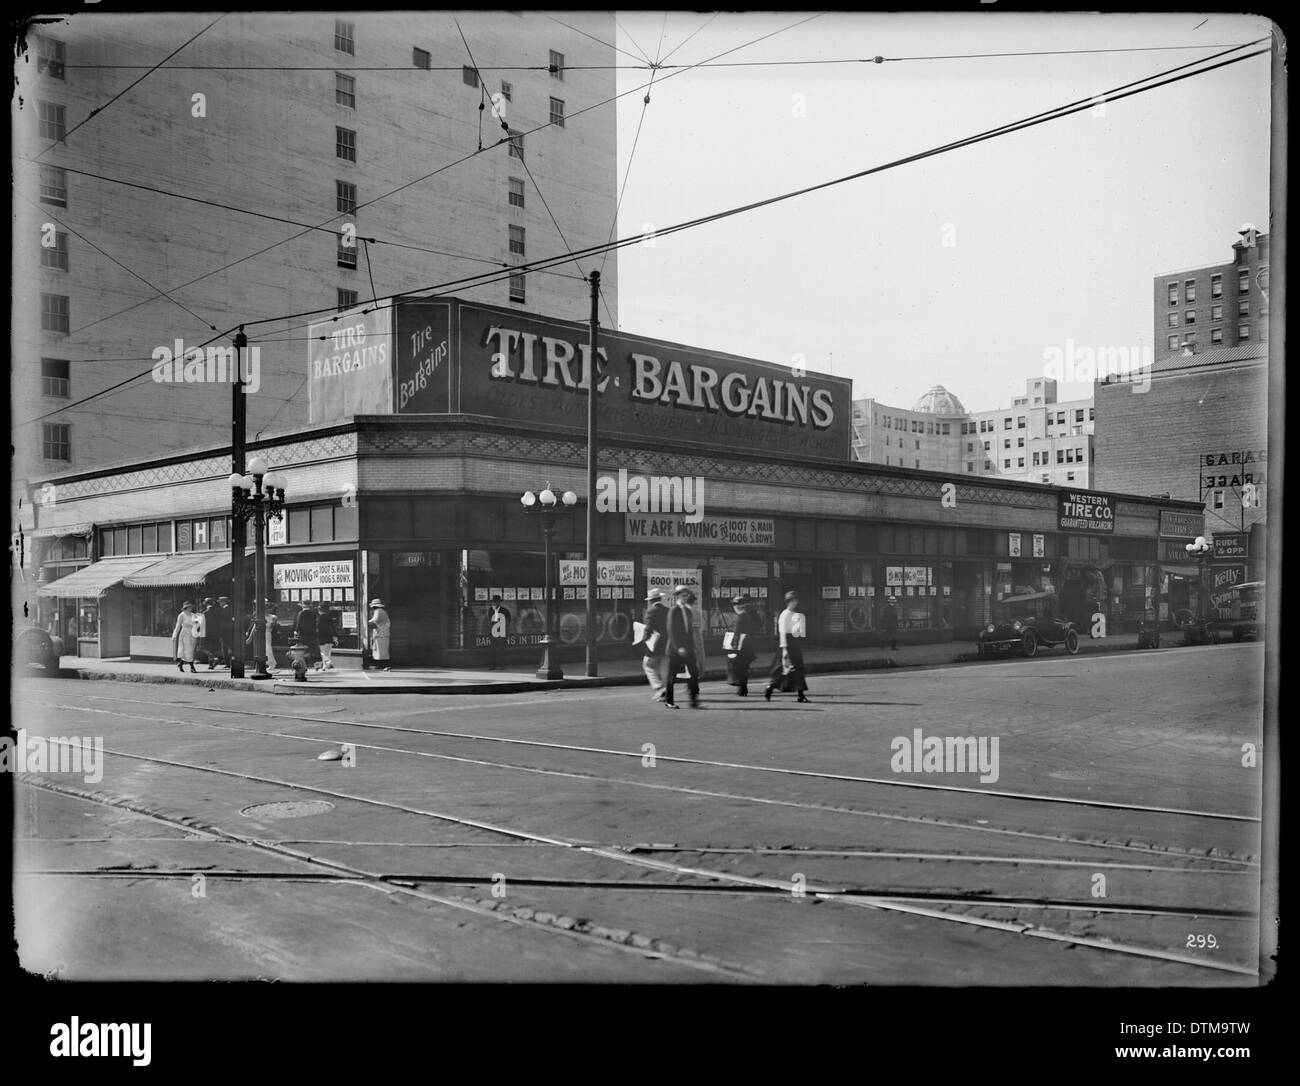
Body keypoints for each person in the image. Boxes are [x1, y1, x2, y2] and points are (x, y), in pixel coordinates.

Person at [766, 590, 809, 703]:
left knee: (799, 669)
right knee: (782, 669)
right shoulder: (784, 615)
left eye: (795, 601)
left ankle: (801, 694)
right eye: (792, 601)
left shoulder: (796, 615)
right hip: (786, 644)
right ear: (787, 602)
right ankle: (770, 687)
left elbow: (798, 631)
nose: (794, 603)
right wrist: (784, 649)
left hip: (794, 643)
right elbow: (782, 632)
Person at [665, 584, 701, 709]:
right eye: (683, 595)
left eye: (687, 595)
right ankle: (669, 701)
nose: (685, 597)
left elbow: (689, 631)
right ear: (677, 597)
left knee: (694, 673)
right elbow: (671, 630)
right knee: (672, 676)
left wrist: (693, 647)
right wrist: (678, 646)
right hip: (676, 649)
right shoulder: (673, 610)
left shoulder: (687, 611)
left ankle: (694, 700)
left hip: (688, 648)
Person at [636, 588, 670, 701]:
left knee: (648, 665)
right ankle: (665, 691)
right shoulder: (668, 610)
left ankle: (658, 687)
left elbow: (648, 629)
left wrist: (643, 640)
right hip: (666, 645)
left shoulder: (651, 611)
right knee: (665, 669)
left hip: (654, 646)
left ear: (650, 601)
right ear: (660, 598)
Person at [725, 596, 762, 696]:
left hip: (740, 647)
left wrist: (733, 647)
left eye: (734, 604)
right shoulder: (747, 616)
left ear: (737, 606)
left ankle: (741, 689)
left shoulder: (739, 618)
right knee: (744, 668)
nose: (733, 607)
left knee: (739, 668)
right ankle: (743, 689)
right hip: (747, 646)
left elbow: (737, 634)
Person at [172, 601, 199, 673]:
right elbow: (177, 626)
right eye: (189, 607)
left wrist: (196, 626)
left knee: (191, 650)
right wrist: (174, 635)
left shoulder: (193, 615)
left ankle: (181, 664)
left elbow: (197, 625)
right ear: (185, 608)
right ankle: (192, 667)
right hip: (185, 634)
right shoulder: (181, 615)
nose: (190, 608)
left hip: (192, 633)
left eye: (191, 607)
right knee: (188, 650)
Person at [487, 595, 511, 670]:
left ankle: (502, 665)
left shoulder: (505, 611)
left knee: (502, 649)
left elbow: (508, 621)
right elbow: (490, 620)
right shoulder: (491, 610)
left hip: (502, 632)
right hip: (494, 632)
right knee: (492, 649)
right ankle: (492, 665)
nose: (494, 603)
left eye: (496, 602)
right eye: (493, 602)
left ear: (499, 602)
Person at [368, 598, 391, 670]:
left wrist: (367, 622)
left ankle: (382, 665)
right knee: (382, 651)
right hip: (384, 633)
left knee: (379, 651)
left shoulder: (378, 611)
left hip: (381, 634)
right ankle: (384, 665)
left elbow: (374, 620)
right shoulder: (383, 611)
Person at [295, 600, 320, 668]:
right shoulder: (313, 613)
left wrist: (296, 631)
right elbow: (316, 623)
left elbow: (298, 623)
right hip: (312, 633)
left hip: (303, 633)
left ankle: (305, 663)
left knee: (303, 648)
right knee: (312, 648)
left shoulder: (301, 613)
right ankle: (313, 663)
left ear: (303, 605)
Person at [196, 597, 216, 667]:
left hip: (205, 633)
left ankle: (212, 658)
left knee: (202, 647)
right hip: (214, 633)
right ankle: (211, 664)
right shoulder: (217, 611)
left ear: (206, 604)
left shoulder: (204, 613)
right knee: (211, 648)